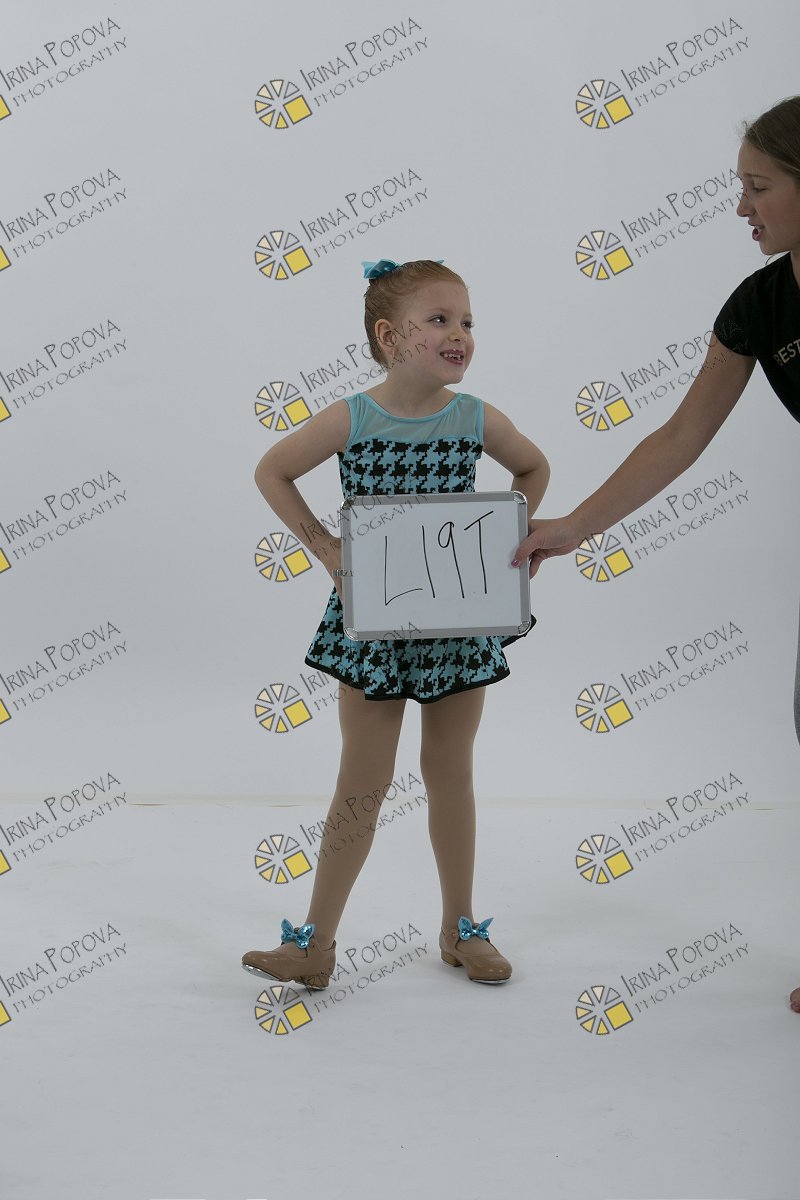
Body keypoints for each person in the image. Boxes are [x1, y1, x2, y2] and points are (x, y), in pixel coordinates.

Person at [511, 95, 800, 1013]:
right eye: (739, 187)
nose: (742, 207)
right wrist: (574, 526)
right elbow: (680, 436)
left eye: (759, 187)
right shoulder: (760, 304)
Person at [242, 258, 549, 988]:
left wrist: (505, 539)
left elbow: (533, 469)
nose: (459, 333)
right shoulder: (353, 417)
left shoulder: (474, 417)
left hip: (456, 619)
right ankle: (315, 944)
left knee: (450, 771)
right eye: (439, 320)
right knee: (363, 779)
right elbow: (272, 470)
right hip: (375, 621)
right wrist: (324, 548)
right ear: (390, 336)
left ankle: (461, 928)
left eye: (467, 321)